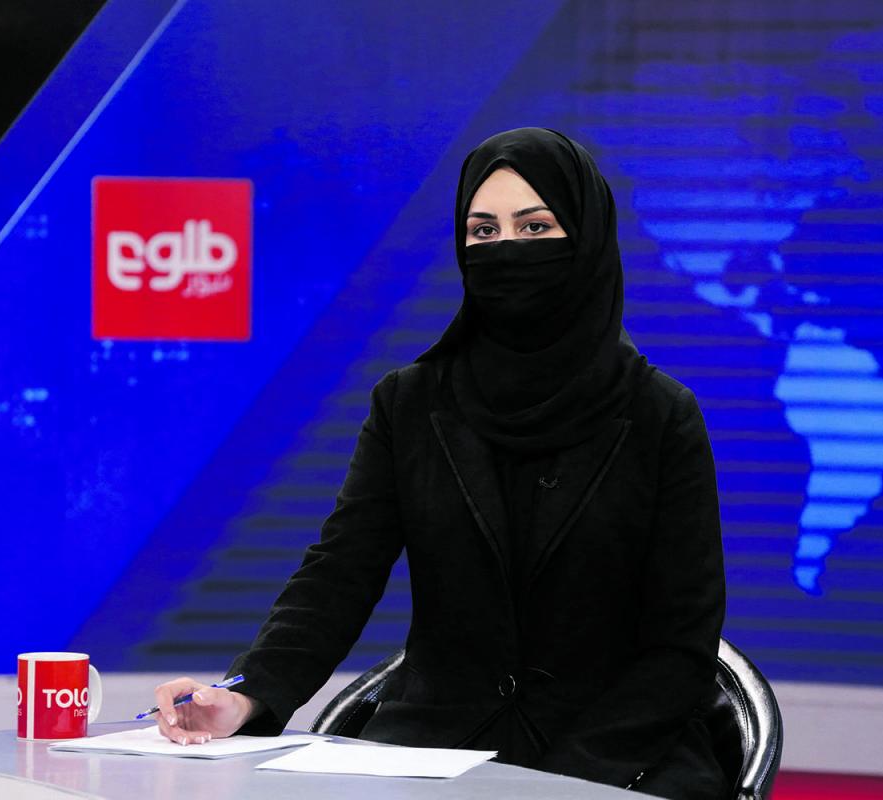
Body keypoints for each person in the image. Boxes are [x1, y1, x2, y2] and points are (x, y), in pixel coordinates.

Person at [151, 128, 728, 799]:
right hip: (434, 746)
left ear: (588, 238)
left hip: (614, 753)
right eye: (483, 231)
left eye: (535, 227)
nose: (506, 249)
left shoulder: (661, 416)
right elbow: (338, 575)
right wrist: (246, 693)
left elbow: (681, 644)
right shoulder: (410, 404)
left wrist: (563, 782)